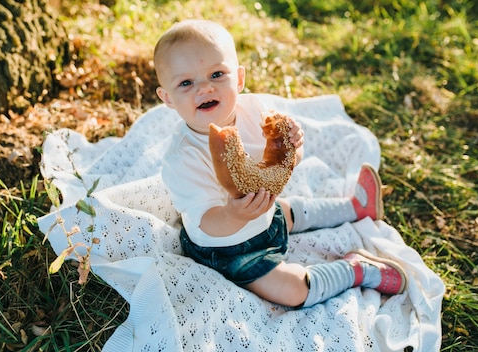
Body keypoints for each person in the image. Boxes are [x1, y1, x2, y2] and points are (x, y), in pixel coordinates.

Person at [154, 19, 406, 308]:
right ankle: (356, 269)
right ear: (168, 98)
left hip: (266, 213)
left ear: (238, 79)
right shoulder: (182, 157)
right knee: (293, 291)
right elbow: (203, 219)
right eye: (186, 83)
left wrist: (294, 148)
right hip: (228, 248)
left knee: (287, 210)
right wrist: (233, 215)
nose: (205, 88)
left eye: (217, 74)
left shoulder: (255, 111)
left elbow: (281, 166)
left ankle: (355, 207)